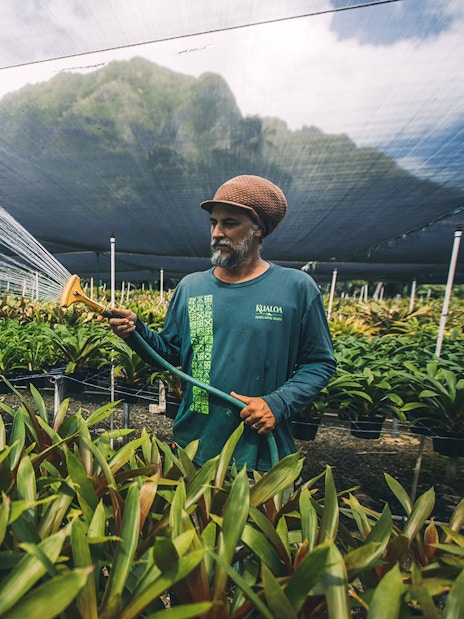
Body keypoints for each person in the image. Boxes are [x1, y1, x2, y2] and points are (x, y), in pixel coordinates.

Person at [105, 175, 336, 471]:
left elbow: (320, 363)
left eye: (229, 223)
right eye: (213, 223)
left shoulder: (296, 288)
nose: (216, 233)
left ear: (258, 229)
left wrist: (276, 404)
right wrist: (135, 332)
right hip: (193, 446)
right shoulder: (191, 287)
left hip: (260, 451)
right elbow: (173, 355)